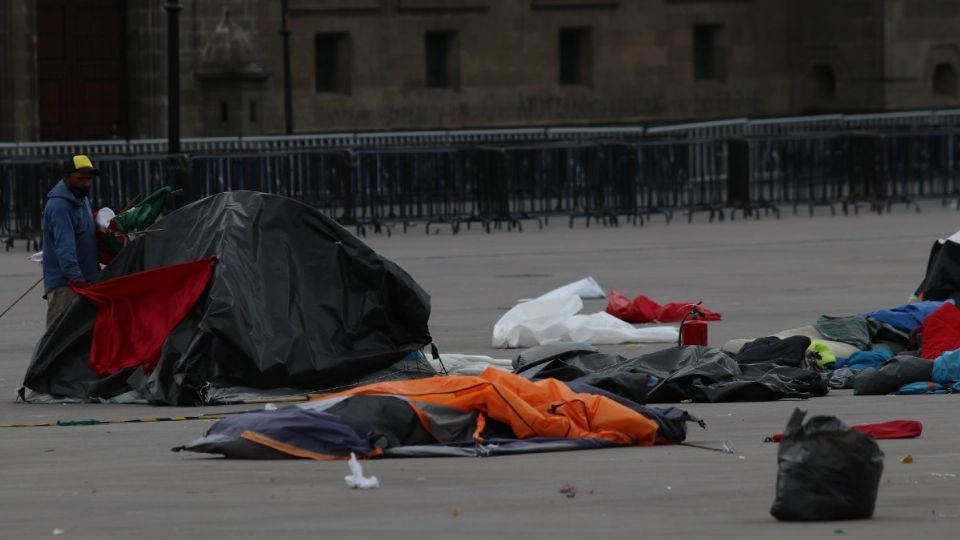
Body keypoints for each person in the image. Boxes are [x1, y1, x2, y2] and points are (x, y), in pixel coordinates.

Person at [42, 154, 101, 326]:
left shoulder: (81, 199)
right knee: (59, 340)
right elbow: (64, 246)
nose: (86, 184)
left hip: (86, 280)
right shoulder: (60, 206)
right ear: (67, 178)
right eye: (80, 179)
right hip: (67, 285)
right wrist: (77, 278)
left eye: (89, 179)